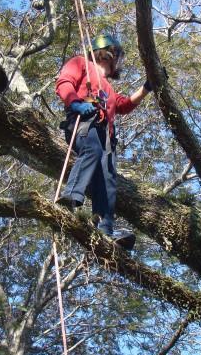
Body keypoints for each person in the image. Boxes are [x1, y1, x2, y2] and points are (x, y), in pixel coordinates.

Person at [55, 34, 151, 250]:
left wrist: (147, 87)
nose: (117, 62)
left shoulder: (108, 88)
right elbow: (64, 83)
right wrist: (75, 103)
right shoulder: (81, 63)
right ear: (108, 53)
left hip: (105, 137)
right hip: (84, 123)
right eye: (116, 56)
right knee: (92, 149)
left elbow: (124, 105)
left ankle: (105, 229)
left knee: (108, 180)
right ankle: (71, 196)